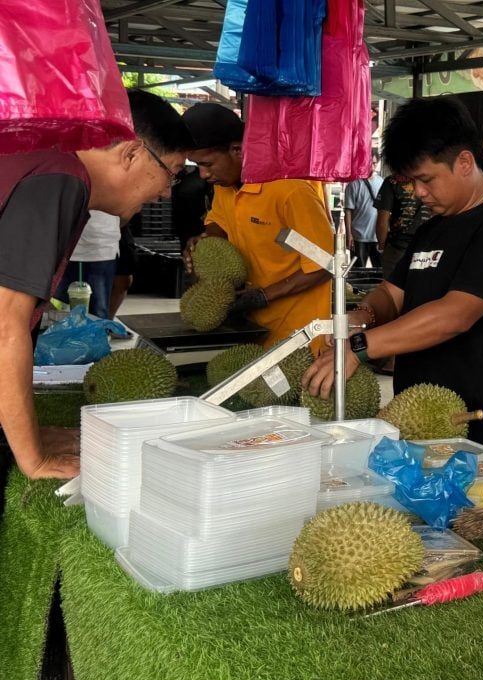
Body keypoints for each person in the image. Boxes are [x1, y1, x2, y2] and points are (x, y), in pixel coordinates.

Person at [302, 96, 483, 457]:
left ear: (464, 162)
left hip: (474, 425)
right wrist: (360, 318)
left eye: (426, 179)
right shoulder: (431, 228)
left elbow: (454, 316)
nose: (418, 192)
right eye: (412, 181)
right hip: (415, 419)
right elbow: (392, 293)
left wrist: (360, 348)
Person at [0, 90, 192, 482]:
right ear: (132, 153)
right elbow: (5, 326)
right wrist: (35, 459)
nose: (166, 192)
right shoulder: (59, 178)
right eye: (171, 173)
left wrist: (23, 434)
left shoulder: (54, 166)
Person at [180, 103, 333, 349]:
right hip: (253, 328)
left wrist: (263, 296)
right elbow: (219, 221)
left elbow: (324, 264)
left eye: (207, 164)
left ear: (237, 150)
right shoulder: (226, 185)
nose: (203, 174)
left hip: (300, 332)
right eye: (197, 165)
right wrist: (204, 241)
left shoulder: (289, 189)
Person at [51, 211, 121, 318]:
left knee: (97, 313)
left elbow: (127, 210)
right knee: (59, 312)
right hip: (65, 247)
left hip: (100, 248)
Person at [374, 173, 430, 279]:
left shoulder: (392, 181)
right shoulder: (432, 177)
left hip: (398, 248)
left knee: (393, 287)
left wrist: (382, 247)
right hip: (428, 249)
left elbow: (382, 222)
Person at [344, 157, 383, 268]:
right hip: (358, 236)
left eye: (374, 163)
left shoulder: (382, 182)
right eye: (369, 163)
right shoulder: (354, 184)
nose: (372, 166)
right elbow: (348, 211)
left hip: (377, 236)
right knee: (358, 272)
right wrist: (349, 235)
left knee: (379, 272)